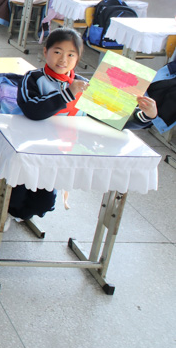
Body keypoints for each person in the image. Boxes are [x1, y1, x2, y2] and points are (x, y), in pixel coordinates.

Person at [13, 28, 157, 226]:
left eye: (71, 55)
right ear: (45, 51)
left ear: (78, 58)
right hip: (30, 150)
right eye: (57, 52)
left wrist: (146, 115)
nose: (63, 59)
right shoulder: (33, 78)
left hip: (62, 153)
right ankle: (10, 211)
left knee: (44, 203)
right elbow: (32, 110)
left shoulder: (85, 85)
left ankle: (21, 213)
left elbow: (112, 118)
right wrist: (66, 95)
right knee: (18, 192)